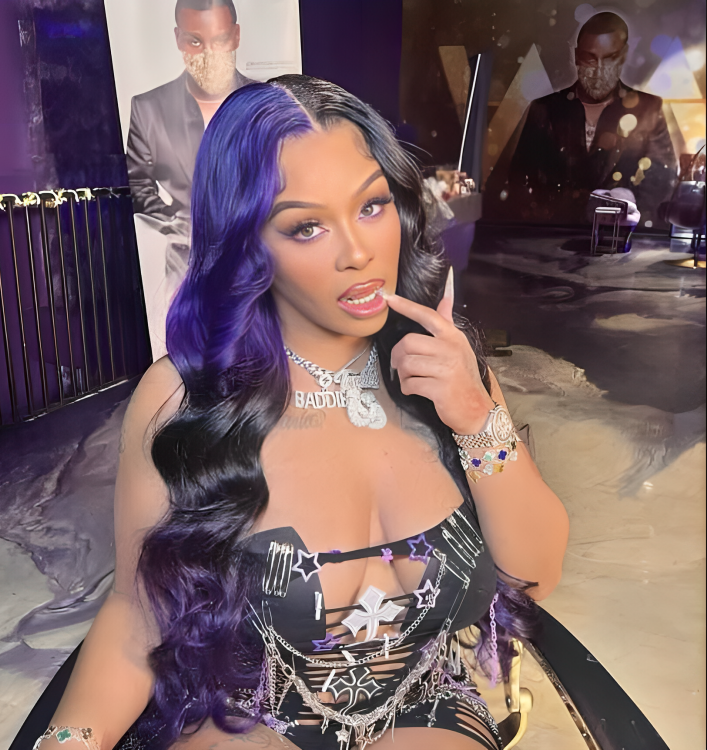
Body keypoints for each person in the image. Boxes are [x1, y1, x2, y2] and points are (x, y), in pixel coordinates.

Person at [35, 76, 569, 750]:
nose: (357, 252)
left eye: (371, 206)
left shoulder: (448, 369)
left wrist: (474, 416)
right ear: (249, 242)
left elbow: (536, 576)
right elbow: (138, 616)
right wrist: (69, 740)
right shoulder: (183, 397)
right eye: (307, 226)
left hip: (424, 702)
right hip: (246, 711)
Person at [504, 11, 676, 226]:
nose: (599, 69)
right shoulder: (544, 109)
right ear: (576, 56)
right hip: (553, 235)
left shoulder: (648, 109)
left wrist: (626, 218)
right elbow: (520, 179)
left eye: (610, 57)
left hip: (621, 236)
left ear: (623, 55)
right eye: (590, 58)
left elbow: (661, 183)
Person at [126, 0, 254, 225]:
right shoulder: (147, 109)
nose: (208, 54)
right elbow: (137, 186)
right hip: (183, 246)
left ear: (236, 36)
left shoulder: (270, 102)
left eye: (220, 39)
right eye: (195, 41)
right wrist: (173, 226)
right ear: (178, 39)